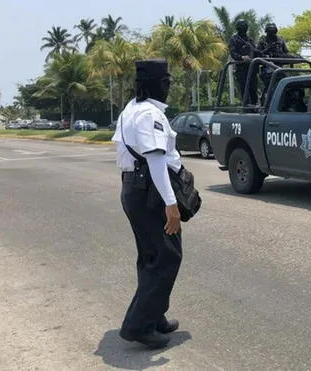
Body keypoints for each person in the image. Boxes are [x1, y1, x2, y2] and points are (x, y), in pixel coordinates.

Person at [111, 58, 183, 350]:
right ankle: (138, 325)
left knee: (150, 256)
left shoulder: (131, 109)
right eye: (166, 82)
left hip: (135, 189)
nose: (168, 86)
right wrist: (171, 204)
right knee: (167, 257)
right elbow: (155, 159)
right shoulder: (149, 113)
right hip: (149, 191)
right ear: (155, 84)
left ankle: (154, 316)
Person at [257, 23, 290, 105]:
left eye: (273, 31)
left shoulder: (280, 39)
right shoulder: (262, 40)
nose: (272, 33)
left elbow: (286, 52)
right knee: (270, 86)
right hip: (267, 68)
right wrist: (268, 49)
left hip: (279, 68)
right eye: (270, 31)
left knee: (284, 84)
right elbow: (257, 54)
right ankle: (265, 103)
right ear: (266, 32)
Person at [228, 19, 259, 105]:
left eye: (245, 26)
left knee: (253, 88)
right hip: (241, 68)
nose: (244, 28)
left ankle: (255, 105)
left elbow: (256, 51)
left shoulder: (250, 40)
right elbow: (233, 53)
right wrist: (241, 57)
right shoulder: (234, 39)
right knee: (244, 88)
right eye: (242, 26)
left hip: (252, 68)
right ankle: (246, 107)